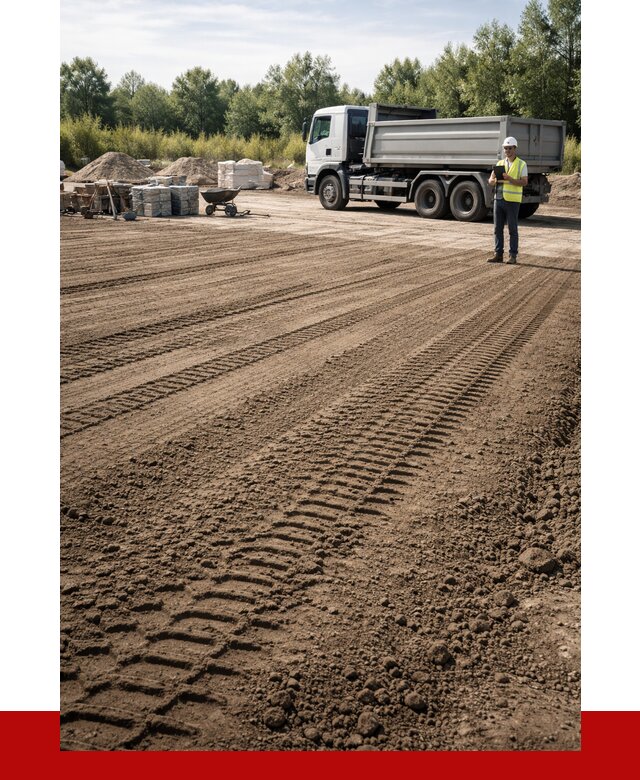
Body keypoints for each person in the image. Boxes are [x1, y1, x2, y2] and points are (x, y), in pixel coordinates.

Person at [487, 137, 528, 264]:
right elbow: (490, 181)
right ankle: (498, 254)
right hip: (498, 199)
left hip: (513, 201)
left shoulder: (522, 164)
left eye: (510, 148)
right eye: (505, 148)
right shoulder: (499, 164)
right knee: (497, 228)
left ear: (515, 149)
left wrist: (510, 178)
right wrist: (492, 181)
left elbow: (524, 182)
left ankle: (513, 256)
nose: (507, 150)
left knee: (512, 229)